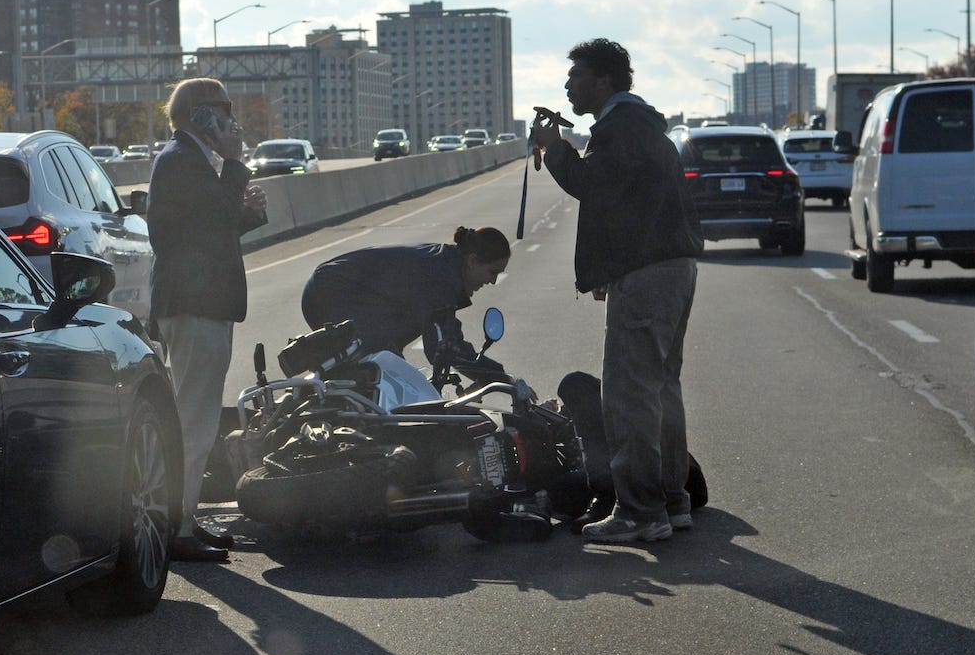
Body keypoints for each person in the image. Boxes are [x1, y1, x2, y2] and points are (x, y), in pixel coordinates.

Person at [530, 38, 703, 543]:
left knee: (629, 396)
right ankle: (671, 500)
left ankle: (641, 512)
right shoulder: (641, 125)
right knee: (660, 389)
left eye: (577, 75)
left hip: (648, 276)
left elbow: (595, 189)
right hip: (671, 269)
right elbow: (631, 205)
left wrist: (555, 148)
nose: (567, 85)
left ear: (604, 80)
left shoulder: (620, 128)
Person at [147, 78, 268, 562]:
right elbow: (202, 226)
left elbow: (208, 230)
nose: (232, 119)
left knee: (194, 419)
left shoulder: (188, 160)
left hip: (202, 303)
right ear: (201, 115)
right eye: (225, 109)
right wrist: (235, 164)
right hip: (194, 305)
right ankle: (175, 527)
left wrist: (247, 213)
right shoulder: (181, 159)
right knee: (193, 423)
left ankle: (183, 518)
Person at [299, 227, 510, 365]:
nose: (492, 281)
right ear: (472, 261)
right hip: (330, 291)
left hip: (329, 286)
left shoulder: (446, 264)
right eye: (492, 272)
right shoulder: (442, 276)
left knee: (385, 365)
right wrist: (499, 379)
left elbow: (444, 341)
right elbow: (443, 347)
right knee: (383, 366)